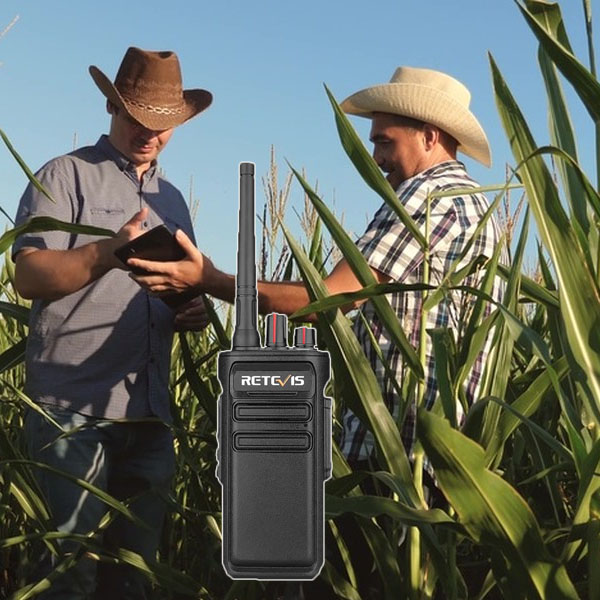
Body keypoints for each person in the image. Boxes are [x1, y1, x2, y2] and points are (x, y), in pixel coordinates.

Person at [126, 66, 505, 472]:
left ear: (429, 136)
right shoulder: (477, 205)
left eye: (384, 142)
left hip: (404, 452)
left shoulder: (426, 199)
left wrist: (210, 280)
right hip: (451, 456)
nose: (376, 158)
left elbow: (329, 300)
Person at [13, 47, 212, 599]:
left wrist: (191, 310)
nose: (150, 134)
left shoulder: (173, 199)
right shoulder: (66, 174)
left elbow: (179, 287)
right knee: (70, 574)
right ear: (112, 105)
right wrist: (108, 251)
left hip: (148, 416)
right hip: (72, 413)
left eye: (164, 125)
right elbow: (28, 277)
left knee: (133, 578)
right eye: (137, 119)